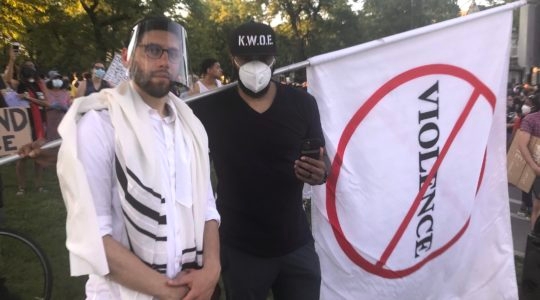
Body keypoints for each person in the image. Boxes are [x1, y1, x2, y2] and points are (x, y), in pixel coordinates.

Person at [56, 16, 220, 299]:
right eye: (153, 50)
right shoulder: (101, 125)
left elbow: (207, 208)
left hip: (191, 286)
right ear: (127, 56)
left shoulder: (190, 127)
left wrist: (212, 270)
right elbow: (93, 236)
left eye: (173, 53)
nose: (164, 61)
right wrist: (170, 293)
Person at [190, 21, 326, 300]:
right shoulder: (207, 110)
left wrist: (321, 173)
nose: (255, 66)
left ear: (274, 58)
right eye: (245, 59)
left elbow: (324, 163)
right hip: (240, 247)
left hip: (295, 242)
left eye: (263, 58)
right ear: (233, 59)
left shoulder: (302, 104)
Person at [518, 93, 540, 229]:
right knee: (537, 207)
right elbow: (522, 144)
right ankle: (535, 239)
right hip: (537, 168)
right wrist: (534, 167)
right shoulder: (531, 119)